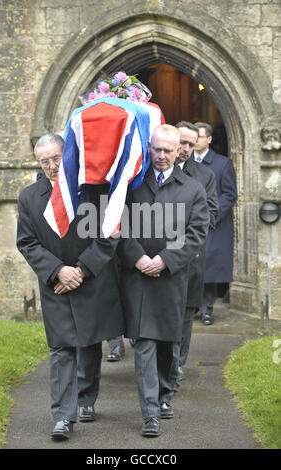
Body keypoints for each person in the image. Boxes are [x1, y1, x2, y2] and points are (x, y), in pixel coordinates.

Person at [16, 134, 124, 440]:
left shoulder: (93, 191)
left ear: (68, 155)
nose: (52, 166)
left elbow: (109, 235)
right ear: (38, 162)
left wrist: (81, 270)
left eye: (56, 158)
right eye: (45, 160)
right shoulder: (28, 197)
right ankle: (63, 415)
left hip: (91, 279)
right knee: (62, 348)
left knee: (89, 344)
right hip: (56, 286)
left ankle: (86, 399)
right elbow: (26, 242)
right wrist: (58, 271)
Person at [119, 124, 209, 437]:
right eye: (156, 149)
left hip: (172, 280)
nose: (161, 156)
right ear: (149, 147)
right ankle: (150, 413)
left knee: (168, 345)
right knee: (144, 343)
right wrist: (138, 257)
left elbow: (196, 232)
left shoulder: (193, 188)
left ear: (180, 151)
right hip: (139, 277)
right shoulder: (132, 185)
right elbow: (119, 226)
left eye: (168, 151)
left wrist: (165, 260)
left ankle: (164, 394)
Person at [173, 121, 218, 387]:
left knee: (187, 312)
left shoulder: (204, 176)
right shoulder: (151, 169)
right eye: (182, 142)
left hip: (191, 255)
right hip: (157, 254)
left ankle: (178, 363)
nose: (186, 148)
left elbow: (212, 214)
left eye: (191, 144)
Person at [193, 122, 238, 325]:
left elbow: (229, 194)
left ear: (209, 139)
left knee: (209, 266)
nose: (195, 141)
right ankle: (191, 305)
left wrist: (211, 215)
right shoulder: (184, 163)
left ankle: (207, 309)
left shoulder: (222, 164)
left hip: (214, 224)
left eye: (199, 137)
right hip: (189, 223)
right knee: (191, 264)